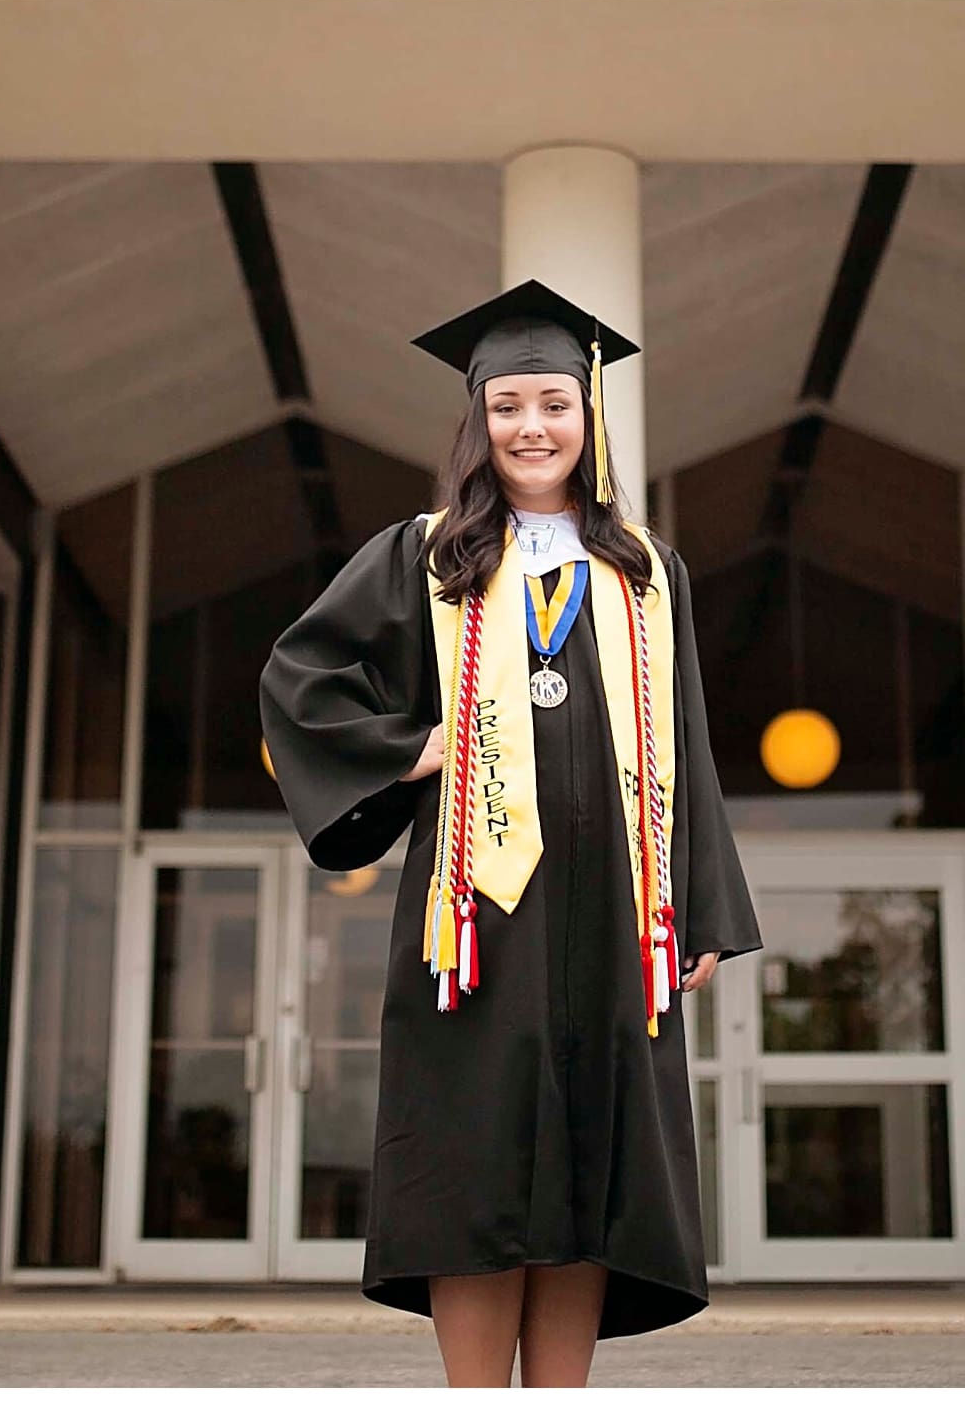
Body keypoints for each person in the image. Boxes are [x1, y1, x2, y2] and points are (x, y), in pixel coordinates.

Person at [259, 278, 761, 1386]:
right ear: (476, 423)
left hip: (619, 914)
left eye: (554, 403)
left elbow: (690, 740)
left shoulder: (642, 568)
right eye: (507, 407)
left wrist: (702, 905)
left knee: (591, 1162)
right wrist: (406, 746)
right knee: (477, 1161)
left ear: (589, 414)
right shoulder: (426, 556)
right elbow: (300, 677)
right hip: (474, 917)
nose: (532, 428)